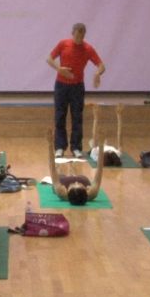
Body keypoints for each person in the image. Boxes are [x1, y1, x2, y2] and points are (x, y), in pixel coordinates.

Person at [46, 23, 105, 158]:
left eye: (82, 37)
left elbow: (102, 65)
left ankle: (76, 147)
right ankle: (60, 147)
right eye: (77, 36)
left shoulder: (88, 48)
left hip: (77, 87)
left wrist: (98, 73)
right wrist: (59, 69)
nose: (79, 39)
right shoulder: (63, 44)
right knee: (60, 116)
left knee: (77, 117)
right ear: (72, 33)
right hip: (61, 86)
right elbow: (49, 59)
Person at [46, 128, 105, 205]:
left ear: (67, 191)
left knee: (59, 175)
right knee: (77, 176)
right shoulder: (92, 193)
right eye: (80, 184)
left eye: (73, 185)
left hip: (63, 180)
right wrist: (101, 145)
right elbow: (99, 170)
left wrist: (50, 144)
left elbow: (52, 169)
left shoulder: (61, 192)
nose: (76, 182)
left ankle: (67, 174)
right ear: (86, 191)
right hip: (83, 179)